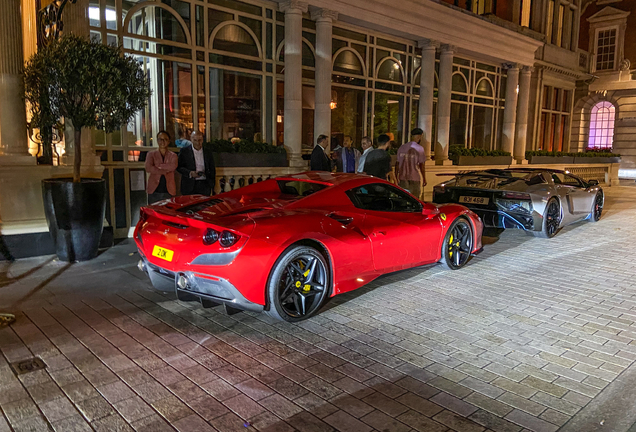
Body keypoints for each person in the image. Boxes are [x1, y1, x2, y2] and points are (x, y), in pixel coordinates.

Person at [177, 131, 216, 196]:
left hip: (204, 184)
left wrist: (212, 184)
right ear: (191, 139)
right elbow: (179, 167)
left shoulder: (208, 151)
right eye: (195, 140)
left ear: (202, 139)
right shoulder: (184, 151)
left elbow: (212, 168)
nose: (197, 142)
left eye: (199, 140)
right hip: (189, 184)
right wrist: (190, 173)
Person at [145, 130, 178, 204]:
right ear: (157, 140)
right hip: (154, 190)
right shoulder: (151, 154)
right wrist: (163, 171)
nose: (163, 142)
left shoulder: (173, 155)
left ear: (169, 141)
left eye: (165, 139)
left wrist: (158, 166)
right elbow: (148, 168)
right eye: (160, 139)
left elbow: (173, 166)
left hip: (168, 190)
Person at [395, 128, 426, 199]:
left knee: (403, 198)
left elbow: (397, 163)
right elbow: (422, 165)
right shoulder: (420, 148)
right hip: (414, 177)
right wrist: (424, 178)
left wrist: (396, 176)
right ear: (419, 136)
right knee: (415, 199)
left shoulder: (402, 147)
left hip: (402, 177)